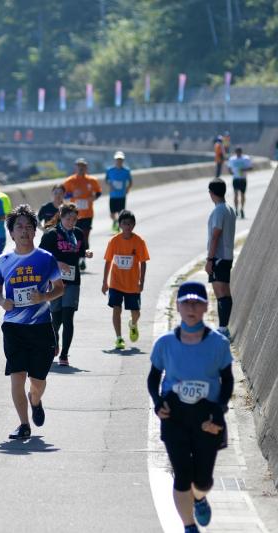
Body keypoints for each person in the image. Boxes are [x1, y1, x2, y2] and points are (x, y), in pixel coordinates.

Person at [148, 281, 232, 533]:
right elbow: (154, 377)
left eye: (197, 303)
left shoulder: (218, 343)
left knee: (203, 480)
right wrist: (158, 402)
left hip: (207, 416)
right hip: (175, 415)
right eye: (186, 303)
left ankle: (199, 497)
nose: (191, 308)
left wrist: (219, 411)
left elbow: (227, 380)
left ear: (206, 307)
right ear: (178, 306)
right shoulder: (165, 343)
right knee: (183, 475)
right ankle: (188, 526)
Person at [0, 204, 64, 439]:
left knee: (38, 380)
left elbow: (60, 289)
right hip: (13, 327)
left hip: (41, 327)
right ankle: (23, 425)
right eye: (19, 227)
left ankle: (36, 399)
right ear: (11, 233)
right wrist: (2, 302)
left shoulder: (46, 259)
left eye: (28, 227)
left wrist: (44, 296)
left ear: (35, 231)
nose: (24, 231)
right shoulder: (3, 261)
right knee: (17, 375)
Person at [39, 203, 93, 366]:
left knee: (68, 317)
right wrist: (57, 262)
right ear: (61, 216)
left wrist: (86, 253)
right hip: (55, 281)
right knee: (56, 319)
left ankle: (64, 354)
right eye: (68, 218)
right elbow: (42, 256)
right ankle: (55, 341)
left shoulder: (78, 233)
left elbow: (81, 250)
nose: (71, 222)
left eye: (74, 219)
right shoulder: (51, 235)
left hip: (73, 280)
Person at [101, 210, 150, 350]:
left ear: (133, 225)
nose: (127, 226)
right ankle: (119, 338)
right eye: (124, 223)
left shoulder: (139, 242)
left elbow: (143, 262)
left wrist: (142, 281)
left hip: (133, 284)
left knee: (136, 312)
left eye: (129, 224)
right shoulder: (114, 241)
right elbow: (108, 261)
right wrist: (105, 282)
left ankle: (133, 324)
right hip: (116, 283)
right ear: (119, 225)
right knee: (116, 309)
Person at [205, 179, 236, 338]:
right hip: (227, 256)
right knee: (225, 292)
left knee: (221, 293)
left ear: (212, 193)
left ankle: (223, 328)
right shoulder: (230, 209)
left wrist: (209, 259)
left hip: (218, 257)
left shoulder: (219, 211)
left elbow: (216, 235)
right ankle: (223, 327)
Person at [62, 158, 102, 270]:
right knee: (72, 237)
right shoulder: (69, 181)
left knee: (85, 237)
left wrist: (92, 198)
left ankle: (82, 260)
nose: (81, 168)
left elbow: (98, 192)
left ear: (86, 167)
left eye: (83, 166)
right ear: (75, 167)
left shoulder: (92, 180)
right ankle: (73, 258)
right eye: (79, 165)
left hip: (87, 214)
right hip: (73, 216)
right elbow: (64, 195)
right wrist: (72, 194)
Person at [105, 151, 133, 232]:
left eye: (120, 159)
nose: (119, 161)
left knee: (120, 213)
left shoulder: (126, 171)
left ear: (123, 160)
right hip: (113, 195)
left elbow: (130, 182)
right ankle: (115, 221)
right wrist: (110, 185)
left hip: (121, 195)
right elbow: (106, 180)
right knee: (112, 213)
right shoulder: (110, 170)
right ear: (115, 160)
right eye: (117, 159)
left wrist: (128, 188)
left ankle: (117, 226)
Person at [226, 147, 252, 219]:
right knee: (235, 195)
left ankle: (242, 209)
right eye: (237, 152)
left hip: (243, 179)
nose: (238, 153)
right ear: (235, 152)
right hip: (236, 179)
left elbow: (250, 168)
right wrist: (231, 172)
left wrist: (244, 169)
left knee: (243, 195)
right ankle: (236, 210)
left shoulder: (245, 158)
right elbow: (229, 167)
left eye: (239, 152)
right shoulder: (232, 159)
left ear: (241, 152)